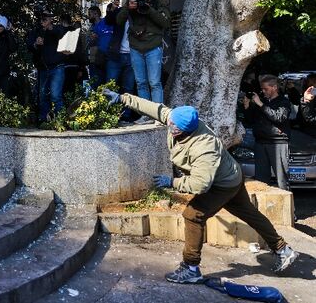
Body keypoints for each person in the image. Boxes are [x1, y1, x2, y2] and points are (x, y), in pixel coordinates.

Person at [102, 88, 299, 283]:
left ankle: (191, 268)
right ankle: (283, 249)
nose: (167, 122)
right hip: (231, 175)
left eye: (171, 123)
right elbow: (155, 108)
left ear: (179, 129)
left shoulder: (204, 147)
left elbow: (200, 184)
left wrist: (172, 182)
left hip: (222, 184)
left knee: (193, 215)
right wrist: (122, 98)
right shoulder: (179, 119)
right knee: (249, 213)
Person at [116, 0, 170, 109]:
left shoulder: (156, 2)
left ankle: (159, 114)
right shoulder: (130, 2)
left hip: (153, 46)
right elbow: (119, 22)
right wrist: (128, 8)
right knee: (140, 83)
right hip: (135, 47)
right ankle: (146, 115)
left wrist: (149, 9)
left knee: (155, 82)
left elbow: (165, 23)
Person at [243, 75, 292, 190]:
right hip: (260, 142)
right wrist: (247, 107)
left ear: (274, 87)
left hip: (278, 142)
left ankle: (287, 206)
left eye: (266, 89)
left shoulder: (283, 102)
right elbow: (250, 120)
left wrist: (261, 104)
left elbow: (279, 117)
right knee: (261, 181)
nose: (263, 91)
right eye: (262, 89)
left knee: (282, 179)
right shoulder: (262, 101)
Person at [25, 11, 68, 122]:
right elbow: (29, 46)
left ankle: (60, 120)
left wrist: (50, 28)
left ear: (51, 19)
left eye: (45, 19)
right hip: (42, 68)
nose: (42, 21)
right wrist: (35, 44)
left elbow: (62, 36)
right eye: (41, 19)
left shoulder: (57, 29)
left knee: (55, 95)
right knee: (42, 95)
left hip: (57, 67)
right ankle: (44, 120)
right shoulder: (36, 31)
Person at [88, 4, 114, 85]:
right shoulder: (92, 28)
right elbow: (89, 44)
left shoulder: (107, 22)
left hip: (110, 56)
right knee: (97, 81)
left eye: (90, 14)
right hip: (98, 58)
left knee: (109, 81)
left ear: (96, 14)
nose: (88, 17)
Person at [300, 73, 316, 137]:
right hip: (309, 129)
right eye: (312, 84)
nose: (313, 86)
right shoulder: (306, 98)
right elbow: (309, 118)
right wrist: (306, 101)